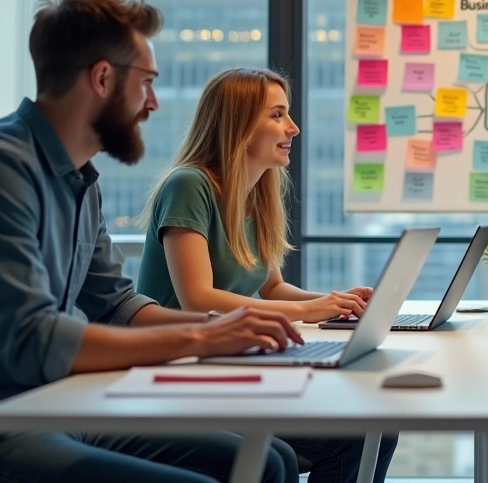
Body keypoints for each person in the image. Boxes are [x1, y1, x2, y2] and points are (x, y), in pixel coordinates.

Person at [0, 0, 302, 483]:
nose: (153, 103)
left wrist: (228, 332)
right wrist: (203, 335)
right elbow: (34, 339)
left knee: (268, 460)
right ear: (102, 78)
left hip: (57, 406)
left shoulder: (78, 179)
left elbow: (117, 306)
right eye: (147, 84)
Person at [135, 67, 397, 483]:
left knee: (376, 430)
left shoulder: (258, 192)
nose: (292, 127)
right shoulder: (189, 185)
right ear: (237, 125)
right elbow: (198, 299)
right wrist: (311, 309)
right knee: (353, 435)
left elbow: (272, 287)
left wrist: (334, 302)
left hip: (231, 360)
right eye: (277, 115)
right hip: (181, 367)